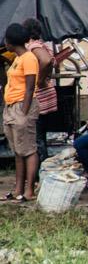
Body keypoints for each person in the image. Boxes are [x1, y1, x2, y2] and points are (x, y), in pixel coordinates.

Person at [2, 24, 41, 201]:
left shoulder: (29, 58)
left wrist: (24, 112)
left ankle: (29, 190)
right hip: (12, 106)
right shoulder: (18, 59)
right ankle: (18, 189)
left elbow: (30, 87)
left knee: (28, 149)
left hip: (21, 106)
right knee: (18, 150)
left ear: (11, 42)